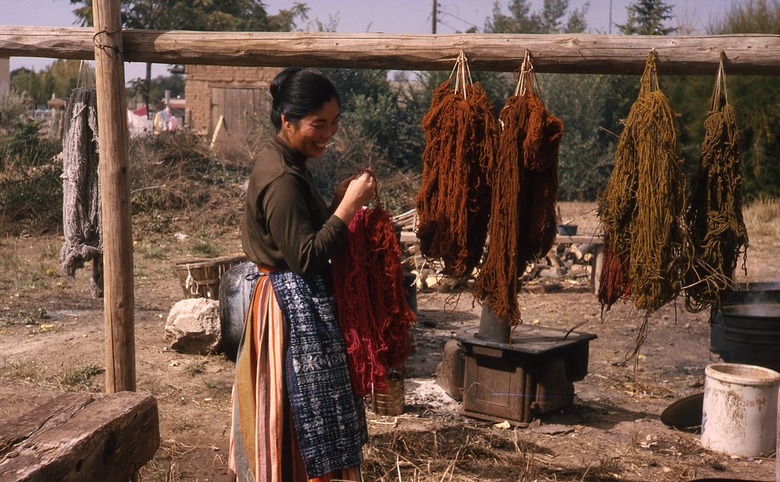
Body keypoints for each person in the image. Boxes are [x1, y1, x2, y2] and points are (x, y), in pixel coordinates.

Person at [228, 67, 376, 482]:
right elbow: (307, 256)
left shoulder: (288, 162)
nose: (327, 133)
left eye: (333, 124)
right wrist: (347, 209)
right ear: (286, 121)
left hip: (292, 301)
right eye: (318, 124)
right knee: (297, 414)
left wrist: (336, 201)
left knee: (303, 415)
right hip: (287, 310)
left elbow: (303, 235)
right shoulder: (281, 177)